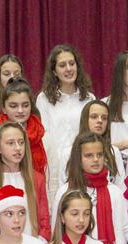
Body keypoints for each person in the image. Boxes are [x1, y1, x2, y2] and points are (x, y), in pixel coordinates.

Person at [53, 132, 128, 244]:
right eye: (89, 155)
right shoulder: (64, 192)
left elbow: (122, 231)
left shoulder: (115, 192)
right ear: (78, 158)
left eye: (99, 154)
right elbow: (56, 231)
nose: (95, 159)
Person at [0, 121, 51, 242]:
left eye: (21, 142)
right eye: (10, 143)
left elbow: (44, 221)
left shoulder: (37, 179)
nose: (18, 148)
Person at [36, 44, 95, 175]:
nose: (68, 69)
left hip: (81, 165)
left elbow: (92, 135)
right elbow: (44, 135)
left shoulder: (89, 98)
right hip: (54, 166)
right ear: (54, 72)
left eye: (72, 63)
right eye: (62, 65)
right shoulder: (44, 98)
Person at [52, 100, 126, 193]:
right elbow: (63, 187)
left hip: (109, 200)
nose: (100, 121)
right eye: (94, 117)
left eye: (104, 118)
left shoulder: (114, 152)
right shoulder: (69, 152)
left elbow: (121, 187)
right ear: (85, 119)